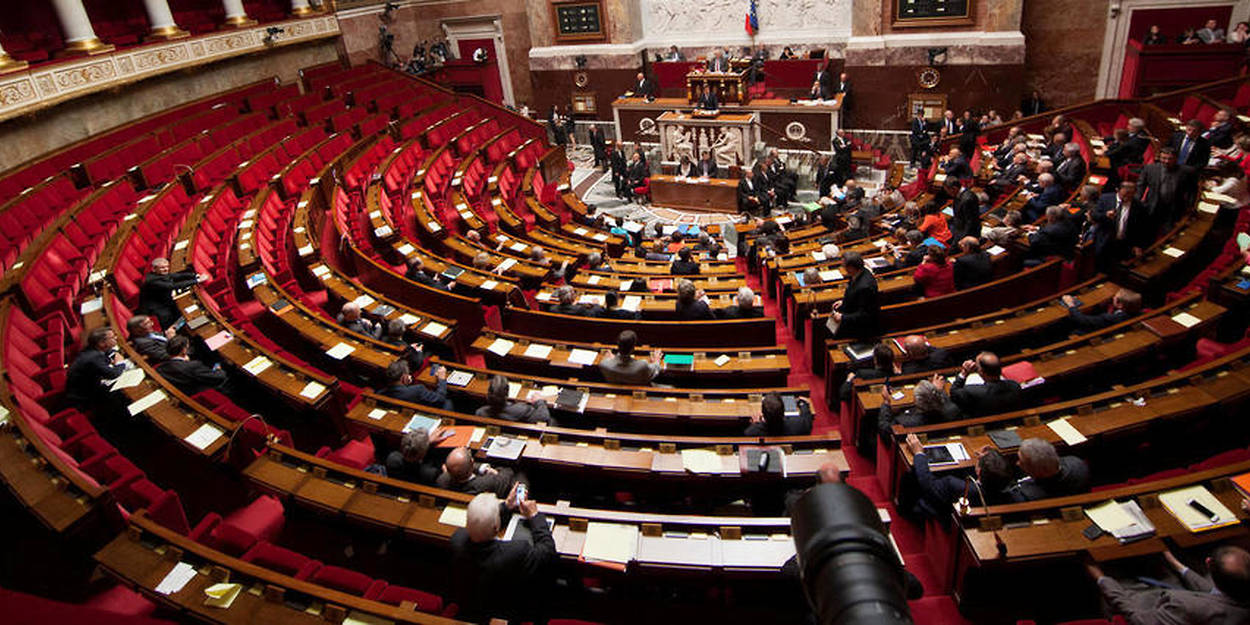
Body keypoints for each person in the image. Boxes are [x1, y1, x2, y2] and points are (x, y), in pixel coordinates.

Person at [449, 491, 556, 624]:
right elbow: (548, 551)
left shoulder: (457, 540)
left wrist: (506, 506)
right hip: (510, 614)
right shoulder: (515, 552)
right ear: (496, 527)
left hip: (471, 609)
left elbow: (478, 523)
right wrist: (535, 516)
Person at [1087, 546, 1250, 625]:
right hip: (1190, 603)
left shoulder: (1187, 606)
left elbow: (1137, 618)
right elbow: (1215, 592)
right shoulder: (1239, 596)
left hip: (1150, 609)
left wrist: (1100, 577)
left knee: (1118, 579)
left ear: (1208, 563)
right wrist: (1175, 563)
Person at [904, 433, 1014, 518]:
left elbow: (928, 484)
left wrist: (919, 453)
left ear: (978, 471)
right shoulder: (1009, 493)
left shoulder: (954, 485)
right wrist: (991, 458)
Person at [1006, 438, 1090, 502]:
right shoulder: (1078, 464)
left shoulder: (1025, 496)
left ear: (1036, 471)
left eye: (1021, 462)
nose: (1017, 463)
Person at [878, 378, 962, 441]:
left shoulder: (904, 423)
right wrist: (938, 391)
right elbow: (943, 402)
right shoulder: (953, 411)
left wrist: (886, 402)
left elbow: (885, 430)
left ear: (917, 402)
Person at [65, 326, 127, 409]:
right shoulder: (94, 357)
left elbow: (109, 351)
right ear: (102, 343)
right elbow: (113, 374)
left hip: (87, 387)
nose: (116, 338)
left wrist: (114, 354)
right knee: (122, 398)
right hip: (84, 397)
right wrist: (120, 363)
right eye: (112, 337)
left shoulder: (92, 348)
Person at [1138, 146, 1199, 228]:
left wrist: (1190, 205)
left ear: (1176, 159)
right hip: (1153, 205)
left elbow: (1192, 190)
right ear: (1159, 157)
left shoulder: (1187, 171)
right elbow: (1140, 186)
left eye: (1170, 159)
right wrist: (1137, 203)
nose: (1166, 161)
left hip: (1174, 207)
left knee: (1169, 230)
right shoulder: (1150, 169)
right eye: (1163, 158)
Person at [1092, 181, 1151, 264]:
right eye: (1124, 195)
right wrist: (1105, 215)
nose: (1126, 198)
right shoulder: (1105, 198)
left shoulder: (1139, 206)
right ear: (1118, 190)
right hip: (1104, 242)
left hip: (1124, 245)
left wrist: (1138, 245)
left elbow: (1140, 228)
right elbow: (1094, 215)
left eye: (1130, 195)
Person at [139, 258, 206, 330]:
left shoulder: (159, 274)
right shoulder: (152, 280)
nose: (166, 269)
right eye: (162, 268)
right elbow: (172, 286)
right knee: (171, 319)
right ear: (154, 269)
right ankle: (174, 331)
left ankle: (192, 326)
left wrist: (194, 275)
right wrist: (197, 280)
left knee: (184, 311)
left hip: (165, 301)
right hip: (156, 307)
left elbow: (175, 275)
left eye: (167, 267)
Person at [950, 351, 1022, 417]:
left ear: (981, 371)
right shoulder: (1015, 386)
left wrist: (964, 373)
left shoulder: (973, 392)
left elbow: (954, 392)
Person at [829, 251, 879, 340]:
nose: (843, 268)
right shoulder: (861, 272)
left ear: (851, 267)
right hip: (850, 313)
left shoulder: (865, 287)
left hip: (859, 328)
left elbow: (865, 314)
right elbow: (856, 297)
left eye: (844, 266)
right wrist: (844, 302)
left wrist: (843, 317)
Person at [156, 336, 227, 396]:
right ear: (184, 350)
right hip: (202, 391)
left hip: (182, 390)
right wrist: (218, 369)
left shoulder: (161, 367)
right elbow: (219, 376)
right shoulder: (193, 366)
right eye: (188, 346)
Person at [437, 447, 520, 498]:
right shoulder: (487, 483)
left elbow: (464, 466)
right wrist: (496, 470)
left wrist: (483, 468)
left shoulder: (442, 480)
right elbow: (508, 472)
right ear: (472, 462)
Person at [379, 359, 453, 410]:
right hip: (423, 411)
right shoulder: (417, 390)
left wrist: (406, 384)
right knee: (448, 403)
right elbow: (440, 398)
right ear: (404, 377)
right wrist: (441, 379)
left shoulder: (382, 393)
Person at [476, 375, 552, 423]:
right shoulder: (522, 409)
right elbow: (544, 417)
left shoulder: (480, 413)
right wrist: (539, 401)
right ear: (507, 393)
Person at [1062, 288, 1142, 333]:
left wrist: (1071, 304)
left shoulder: (1111, 318)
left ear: (1120, 305)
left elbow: (1081, 319)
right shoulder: (1136, 312)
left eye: (1115, 297)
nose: (1113, 297)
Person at [744, 391, 812, 437]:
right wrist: (803, 404)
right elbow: (807, 418)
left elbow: (750, 432)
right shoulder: (800, 425)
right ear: (783, 411)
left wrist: (755, 424)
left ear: (763, 414)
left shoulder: (752, 432)